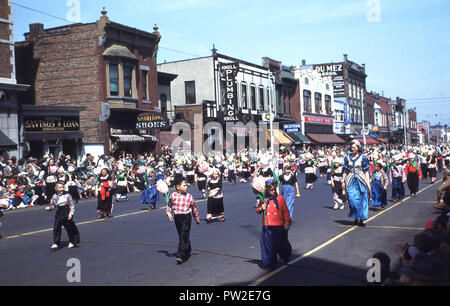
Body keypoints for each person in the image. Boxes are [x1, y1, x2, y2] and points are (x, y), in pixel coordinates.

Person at [256, 180, 292, 270]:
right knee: (267, 245)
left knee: (281, 243)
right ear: (267, 190)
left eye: (274, 189)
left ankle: (284, 255)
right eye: (271, 189)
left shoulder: (280, 198)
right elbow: (257, 210)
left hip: (278, 225)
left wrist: (287, 222)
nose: (273, 191)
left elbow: (285, 211)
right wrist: (261, 208)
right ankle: (269, 263)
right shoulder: (263, 199)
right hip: (267, 225)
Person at [166, 178, 200, 265]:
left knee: (183, 235)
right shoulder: (173, 195)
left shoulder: (189, 197)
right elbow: (169, 205)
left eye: (187, 185)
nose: (186, 187)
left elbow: (194, 209)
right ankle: (188, 247)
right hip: (177, 217)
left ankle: (180, 255)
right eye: (184, 185)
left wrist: (197, 219)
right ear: (178, 187)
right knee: (182, 235)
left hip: (186, 217)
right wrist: (168, 213)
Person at [342, 140, 371, 227]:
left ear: (358, 148)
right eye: (352, 147)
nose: (353, 148)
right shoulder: (347, 157)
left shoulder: (363, 157)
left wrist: (368, 182)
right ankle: (356, 216)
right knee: (352, 200)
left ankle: (361, 219)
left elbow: (366, 171)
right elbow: (345, 170)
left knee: (362, 199)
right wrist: (343, 181)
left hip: (361, 179)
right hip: (351, 180)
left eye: (354, 147)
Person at [45, 181, 80, 249]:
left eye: (63, 187)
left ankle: (71, 241)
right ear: (56, 189)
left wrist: (70, 213)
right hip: (59, 212)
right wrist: (49, 208)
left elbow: (72, 205)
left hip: (66, 211)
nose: (62, 189)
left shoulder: (67, 195)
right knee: (56, 227)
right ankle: (56, 242)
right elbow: (53, 205)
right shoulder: (55, 196)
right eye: (60, 188)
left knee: (69, 227)